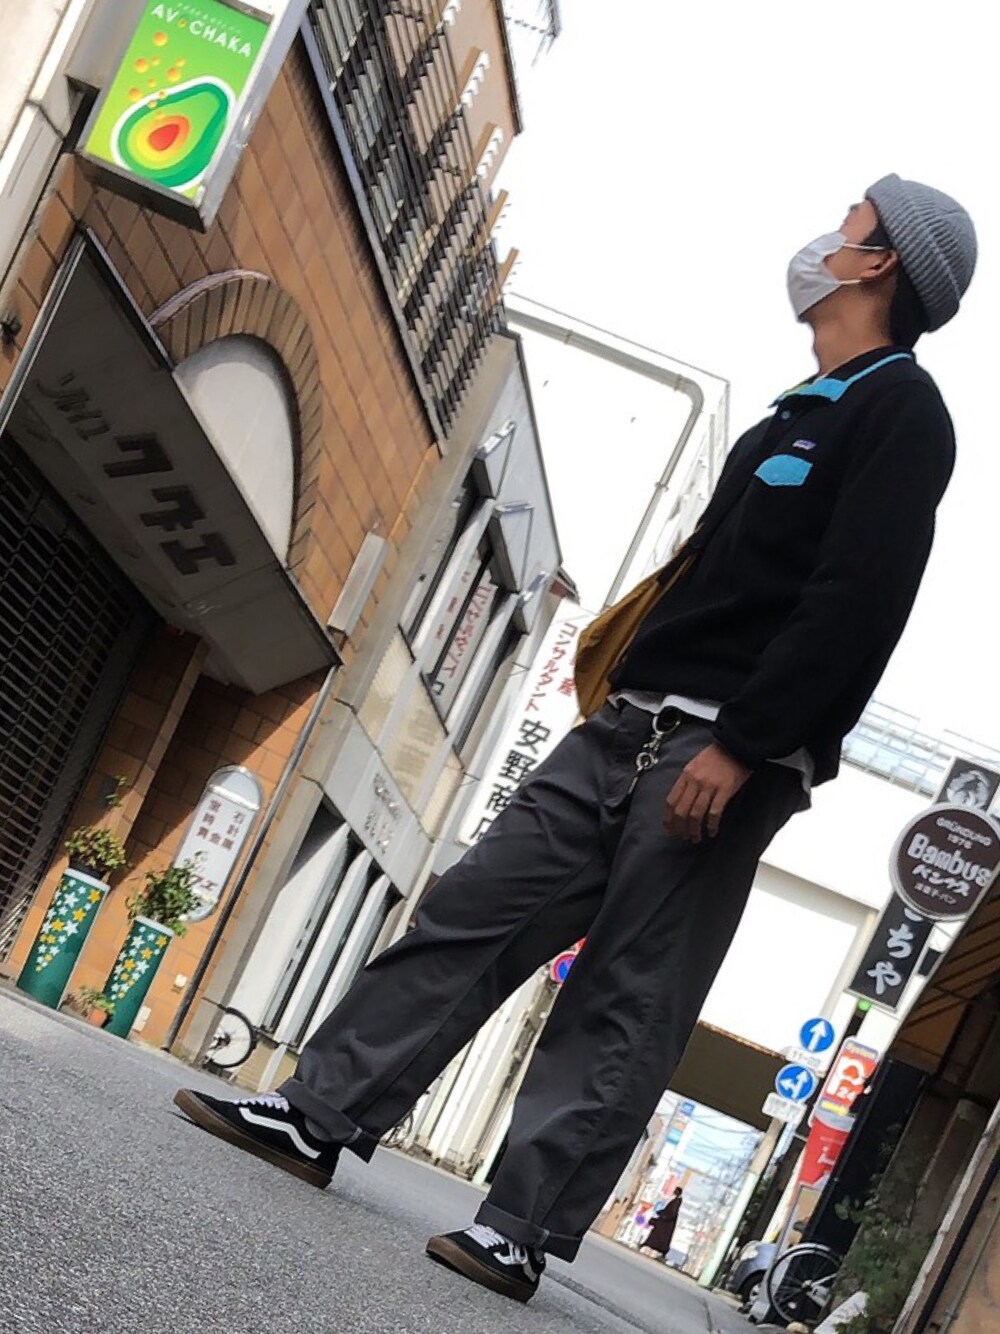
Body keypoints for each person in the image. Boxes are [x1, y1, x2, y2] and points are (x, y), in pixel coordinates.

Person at [174, 174, 976, 1304]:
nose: (826, 236)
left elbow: (858, 600)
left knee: (625, 994)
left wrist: (747, 743)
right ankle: (317, 1113)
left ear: (881, 263)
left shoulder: (902, 412)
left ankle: (520, 1226)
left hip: (721, 754)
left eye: (850, 224)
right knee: (469, 911)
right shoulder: (797, 409)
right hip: (626, 727)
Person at [643, 1188, 683, 1261]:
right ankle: (649, 1245)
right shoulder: (675, 1201)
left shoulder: (676, 1202)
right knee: (657, 1236)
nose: (674, 1191)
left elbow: (671, 1213)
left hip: (665, 1224)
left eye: (675, 1191)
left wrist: (663, 1216)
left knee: (659, 1237)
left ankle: (657, 1248)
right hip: (665, 1223)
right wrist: (661, 1213)